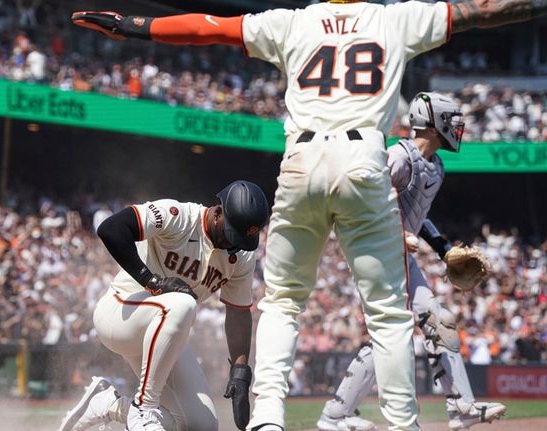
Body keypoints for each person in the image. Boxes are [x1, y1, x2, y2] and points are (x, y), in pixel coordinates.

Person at [71, 2, 545, 430]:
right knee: (386, 314)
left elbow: (209, 27)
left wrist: (140, 27)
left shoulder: (292, 21)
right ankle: (403, 425)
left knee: (281, 301)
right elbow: (481, 10)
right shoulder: (395, 17)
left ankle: (267, 419)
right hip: (364, 158)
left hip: (301, 158)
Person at [316, 93, 506, 431]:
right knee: (393, 333)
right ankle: (336, 414)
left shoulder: (435, 165)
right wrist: (396, 233)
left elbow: (419, 218)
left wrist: (444, 249)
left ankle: (460, 406)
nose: (457, 129)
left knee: (439, 322)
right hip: (378, 251)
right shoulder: (399, 157)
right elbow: (364, 198)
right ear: (433, 126)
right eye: (451, 122)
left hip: (399, 254)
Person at [57, 180, 270, 431]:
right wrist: (152, 282)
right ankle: (144, 408)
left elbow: (238, 310)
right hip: (121, 314)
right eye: (230, 232)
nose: (232, 243)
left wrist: (240, 370)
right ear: (218, 210)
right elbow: (112, 228)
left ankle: (107, 404)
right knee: (183, 303)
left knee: (200, 426)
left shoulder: (241, 256)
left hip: (164, 337)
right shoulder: (179, 216)